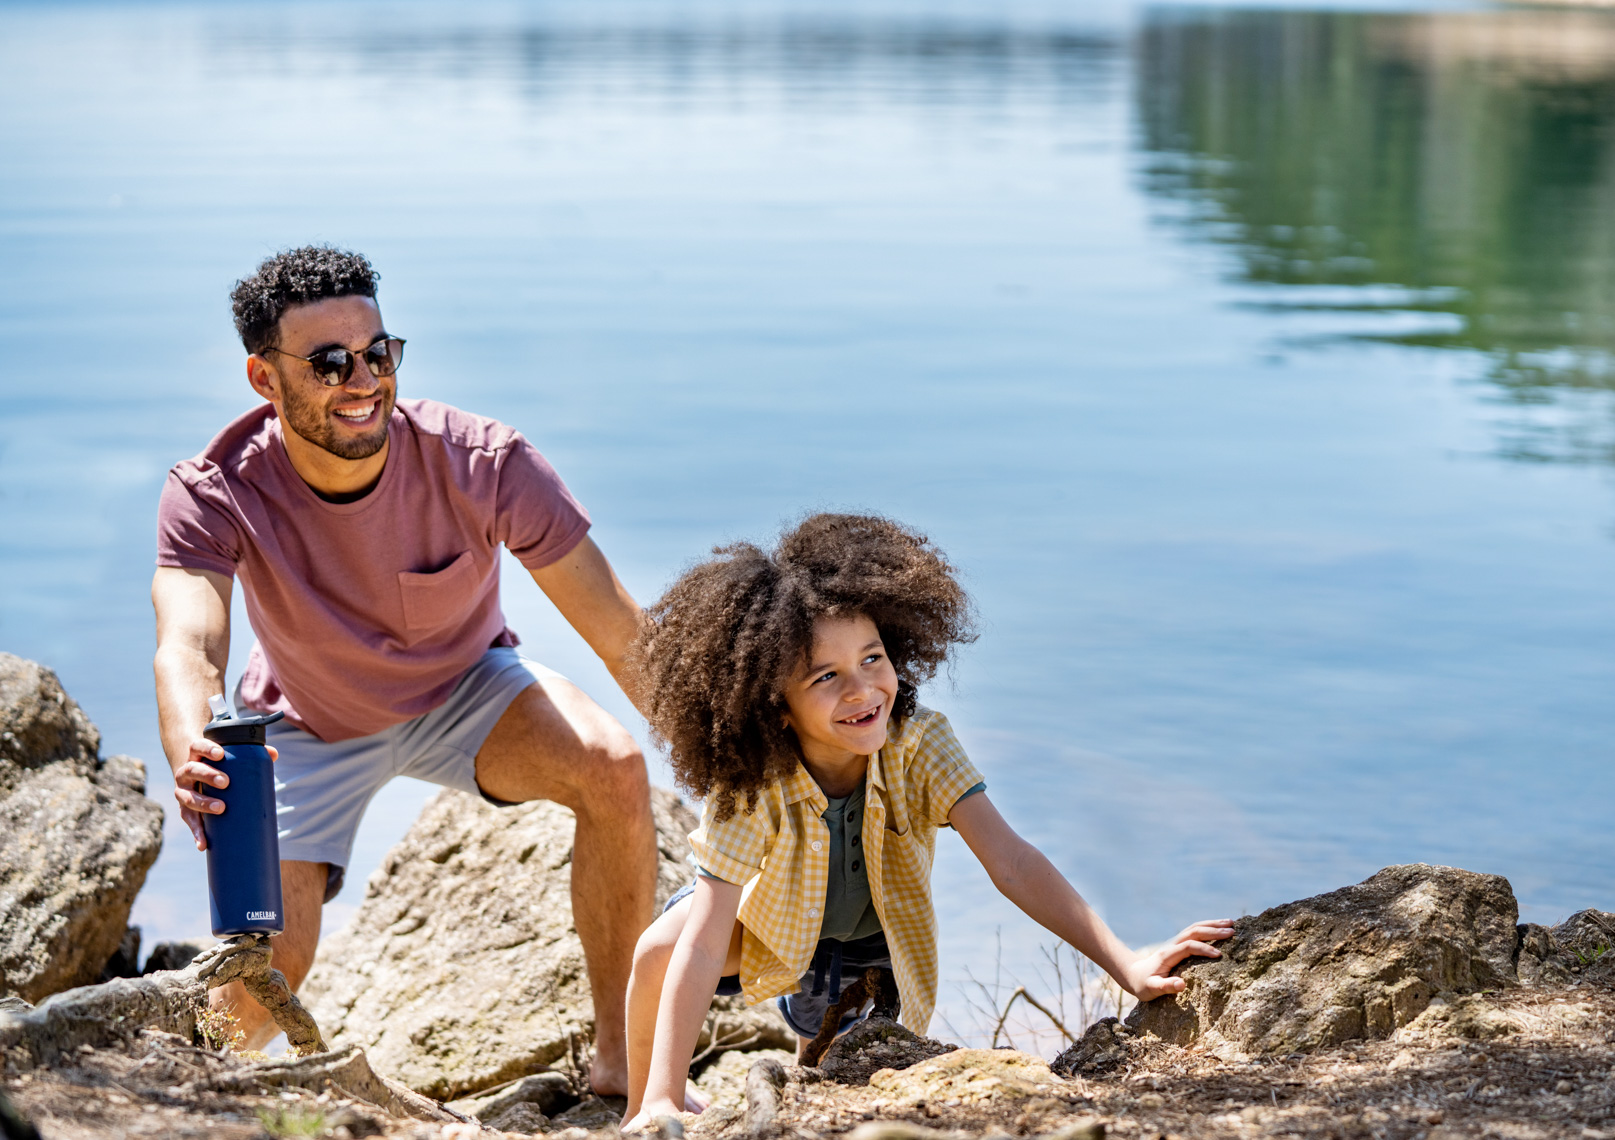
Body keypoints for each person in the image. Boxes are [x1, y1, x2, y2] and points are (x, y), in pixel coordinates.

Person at [152, 246, 655, 1092]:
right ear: (264, 378)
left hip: (465, 689)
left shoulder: (486, 463)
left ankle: (624, 1061)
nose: (363, 381)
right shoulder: (214, 490)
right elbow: (188, 644)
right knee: (273, 962)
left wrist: (733, 759)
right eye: (329, 363)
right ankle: (182, 1098)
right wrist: (192, 743)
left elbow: (619, 631)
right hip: (304, 722)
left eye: (378, 352)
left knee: (614, 765)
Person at [620, 514, 1234, 1128]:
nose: (862, 690)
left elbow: (1013, 862)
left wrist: (1125, 965)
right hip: (772, 926)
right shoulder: (753, 782)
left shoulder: (920, 745)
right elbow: (705, 942)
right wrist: (662, 1098)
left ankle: (803, 1063)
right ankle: (641, 1100)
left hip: (878, 947)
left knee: (828, 1069)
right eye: (826, 676)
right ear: (775, 706)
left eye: (873, 658)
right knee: (659, 951)